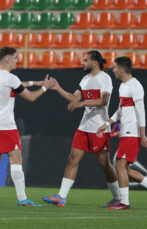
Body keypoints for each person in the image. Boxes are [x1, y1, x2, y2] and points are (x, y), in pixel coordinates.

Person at [42, 50, 120, 208]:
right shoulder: (85, 79)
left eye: (85, 60)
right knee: (72, 159)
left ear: (95, 62)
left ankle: (117, 197)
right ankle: (61, 197)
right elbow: (74, 98)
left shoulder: (104, 78)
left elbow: (104, 101)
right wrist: (58, 88)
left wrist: (84, 103)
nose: (82, 63)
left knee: (104, 164)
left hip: (100, 128)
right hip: (84, 127)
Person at [0, 47, 55, 206]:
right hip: (6, 125)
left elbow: (16, 85)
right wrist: (44, 88)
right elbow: (30, 97)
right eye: (15, 58)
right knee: (16, 158)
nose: (17, 60)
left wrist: (34, 82)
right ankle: (22, 199)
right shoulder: (10, 78)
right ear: (7, 59)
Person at [97, 56, 147, 210]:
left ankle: (124, 203)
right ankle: (123, 201)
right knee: (125, 169)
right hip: (126, 132)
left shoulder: (135, 85)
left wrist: (143, 134)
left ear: (121, 68)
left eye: (114, 67)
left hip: (132, 131)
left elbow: (141, 110)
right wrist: (107, 124)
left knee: (120, 165)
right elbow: (120, 111)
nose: (113, 70)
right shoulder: (123, 86)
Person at [111, 123, 147, 189]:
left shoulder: (132, 119)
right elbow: (111, 134)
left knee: (121, 168)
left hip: (130, 141)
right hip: (125, 142)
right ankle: (124, 198)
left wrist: (143, 136)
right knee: (124, 170)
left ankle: (124, 198)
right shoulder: (118, 124)